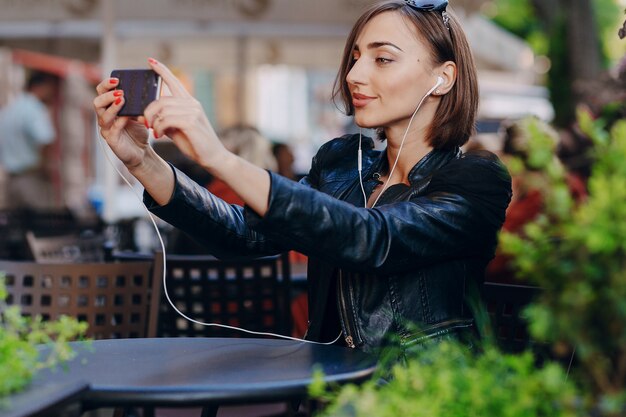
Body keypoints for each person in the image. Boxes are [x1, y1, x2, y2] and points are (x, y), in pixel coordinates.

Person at [94, 0, 511, 358]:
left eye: (382, 58)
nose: (353, 75)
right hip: (325, 390)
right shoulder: (342, 163)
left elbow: (373, 240)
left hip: (416, 399)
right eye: (354, 58)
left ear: (443, 77)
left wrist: (219, 158)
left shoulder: (475, 179)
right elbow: (243, 234)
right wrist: (142, 161)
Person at [0, 71, 60, 210]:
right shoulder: (34, 108)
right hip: (31, 178)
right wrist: (46, 166)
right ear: (39, 87)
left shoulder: (9, 110)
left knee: (14, 227)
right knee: (42, 225)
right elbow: (46, 139)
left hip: (11, 179)